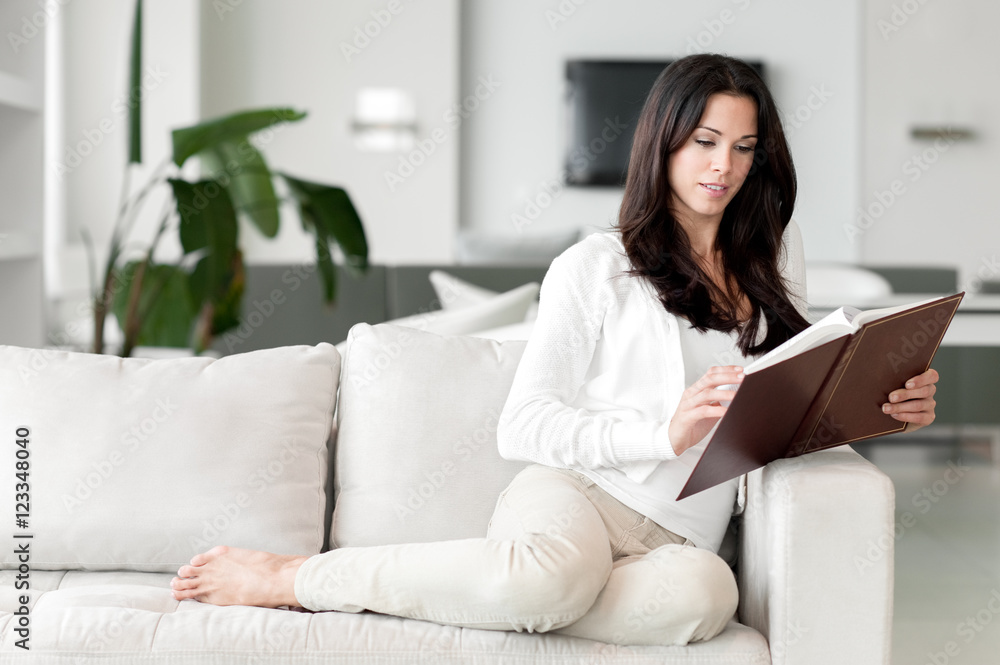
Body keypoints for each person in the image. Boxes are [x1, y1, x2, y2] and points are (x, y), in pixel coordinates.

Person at [170, 54, 938, 646]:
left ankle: (491, 594)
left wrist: (879, 404)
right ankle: (296, 579)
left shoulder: (776, 253)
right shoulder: (596, 263)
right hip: (578, 496)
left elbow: (797, 391)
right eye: (704, 141)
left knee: (708, 597)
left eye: (743, 147)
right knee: (554, 575)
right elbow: (525, 424)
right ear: (663, 140)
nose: (724, 167)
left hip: (683, 535)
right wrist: (659, 431)